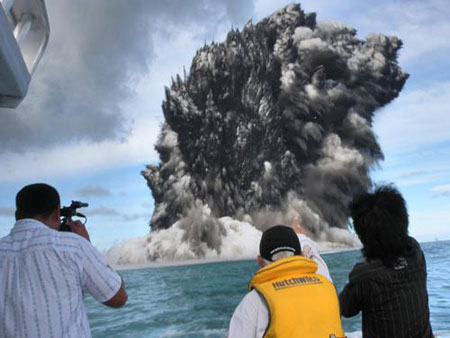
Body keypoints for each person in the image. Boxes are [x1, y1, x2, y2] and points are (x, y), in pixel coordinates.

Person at [0, 183, 128, 338]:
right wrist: (87, 244)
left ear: (16, 216)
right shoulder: (73, 246)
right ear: (56, 214)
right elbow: (117, 298)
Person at [339, 184, 433, 338]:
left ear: (362, 236)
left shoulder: (364, 276)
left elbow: (344, 309)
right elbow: (402, 240)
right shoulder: (416, 254)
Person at [228, 225, 345, 338]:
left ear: (260, 262)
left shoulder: (255, 302)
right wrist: (302, 238)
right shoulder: (328, 287)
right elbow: (316, 259)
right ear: (302, 255)